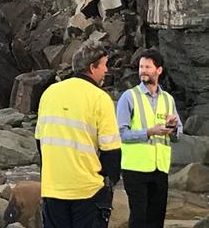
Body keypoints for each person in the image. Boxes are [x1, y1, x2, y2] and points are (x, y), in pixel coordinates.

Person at [35, 40, 121, 228]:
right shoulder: (100, 98)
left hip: (53, 189)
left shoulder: (49, 93)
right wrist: (108, 182)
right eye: (104, 65)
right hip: (87, 191)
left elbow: (40, 142)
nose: (106, 71)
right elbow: (112, 151)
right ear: (92, 67)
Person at [116, 48, 182, 228]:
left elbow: (178, 133)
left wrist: (173, 128)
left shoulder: (168, 99)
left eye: (147, 67)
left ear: (159, 70)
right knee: (139, 219)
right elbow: (120, 133)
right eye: (141, 67)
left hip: (160, 168)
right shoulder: (128, 97)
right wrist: (148, 132)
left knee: (157, 219)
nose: (143, 70)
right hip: (135, 169)